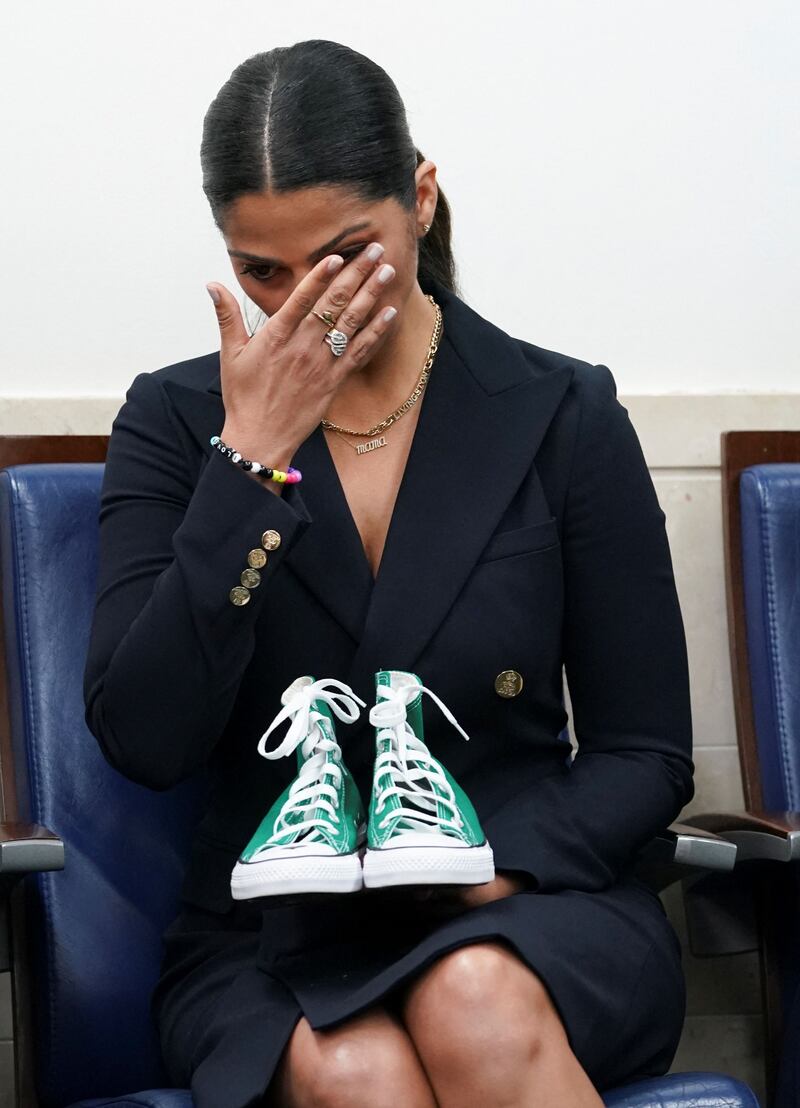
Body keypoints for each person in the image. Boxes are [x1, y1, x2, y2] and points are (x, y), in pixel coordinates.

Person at [82, 37, 695, 1108]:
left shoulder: (559, 412)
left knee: (472, 999)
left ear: (418, 198)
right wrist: (249, 466)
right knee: (356, 1067)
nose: (308, 301)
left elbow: (643, 753)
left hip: (523, 896)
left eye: (345, 253)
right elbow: (144, 738)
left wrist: (486, 864)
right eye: (262, 270)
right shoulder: (177, 422)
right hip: (268, 930)